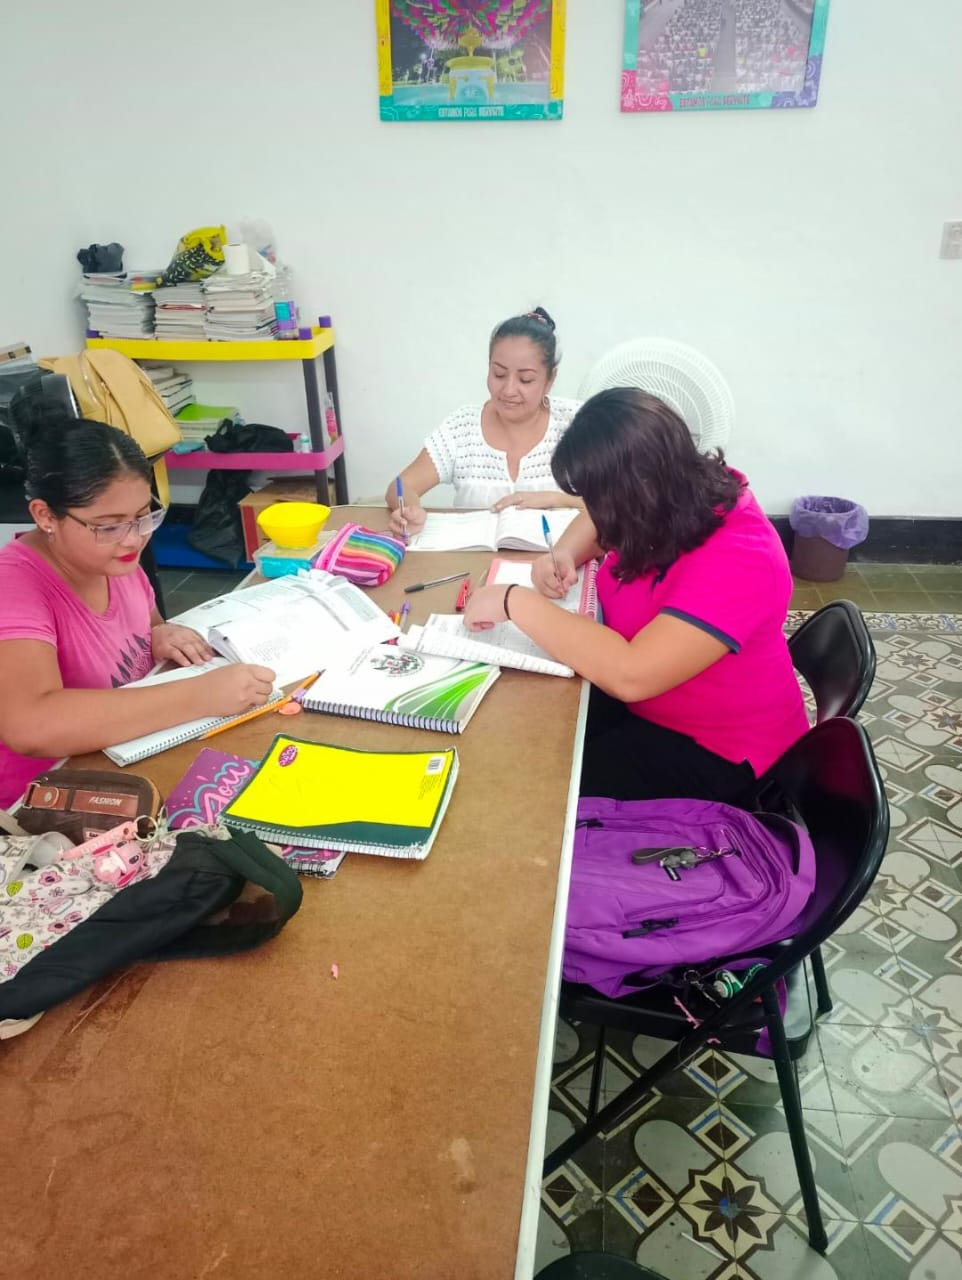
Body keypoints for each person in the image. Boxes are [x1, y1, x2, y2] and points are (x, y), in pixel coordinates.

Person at [463, 388, 809, 803]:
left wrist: (514, 601)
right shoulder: (674, 496)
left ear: (640, 491)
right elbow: (595, 519)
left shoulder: (742, 558)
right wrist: (565, 555)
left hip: (719, 756)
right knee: (521, 729)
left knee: (538, 787)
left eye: (602, 501)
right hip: (652, 713)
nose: (594, 512)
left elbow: (632, 674)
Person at [0, 412, 276, 809]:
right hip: (52, 800)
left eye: (144, 516)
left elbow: (142, 627)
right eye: (109, 525)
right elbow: (31, 724)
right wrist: (198, 695)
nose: (134, 539)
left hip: (132, 755)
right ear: (46, 516)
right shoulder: (15, 585)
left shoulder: (115, 558)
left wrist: (159, 636)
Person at [385, 307, 582, 536]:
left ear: (550, 379)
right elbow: (401, 487)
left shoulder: (577, 424)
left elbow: (623, 505)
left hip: (559, 566)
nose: (508, 390)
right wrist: (409, 511)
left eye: (525, 379)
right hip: (476, 567)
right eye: (498, 374)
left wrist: (555, 499)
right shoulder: (463, 426)